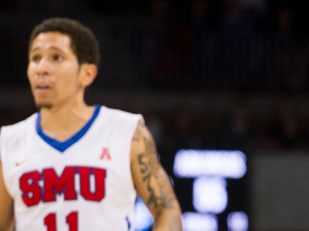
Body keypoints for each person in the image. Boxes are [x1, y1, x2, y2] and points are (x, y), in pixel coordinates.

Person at [0, 18, 182, 231]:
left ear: (87, 73)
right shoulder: (8, 141)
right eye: (35, 58)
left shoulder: (126, 132)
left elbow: (167, 210)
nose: (42, 68)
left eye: (56, 57)